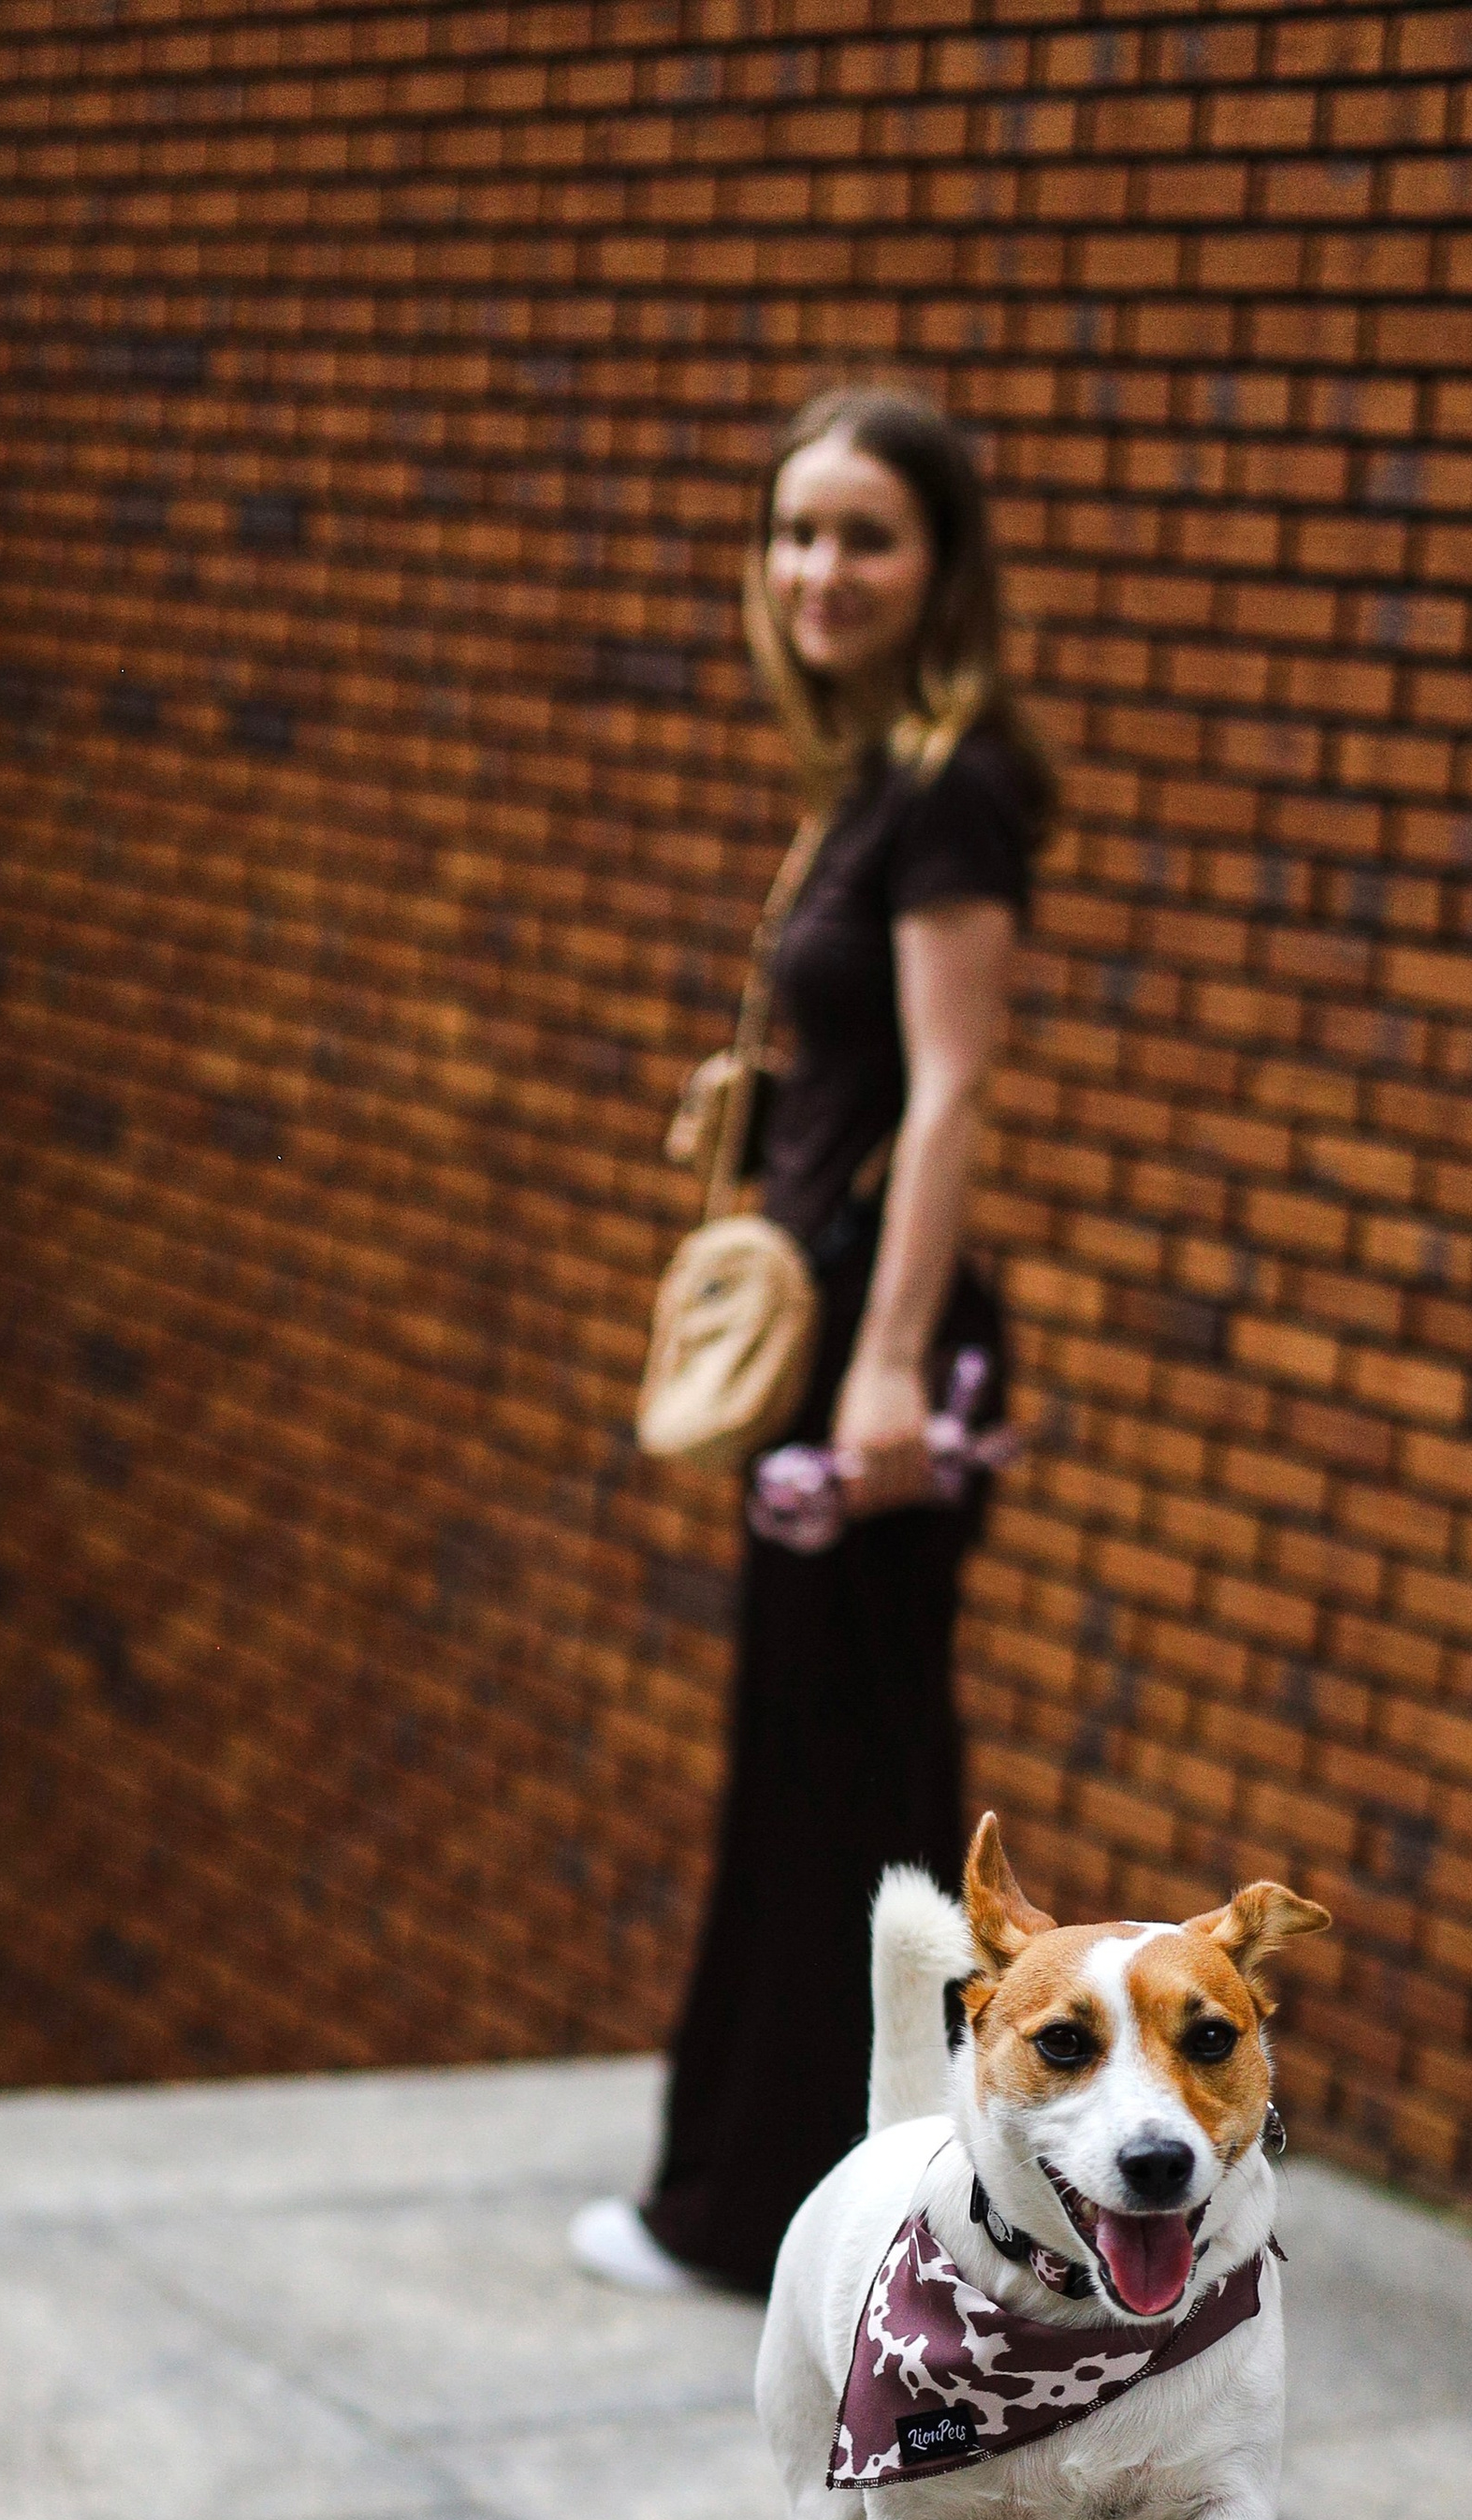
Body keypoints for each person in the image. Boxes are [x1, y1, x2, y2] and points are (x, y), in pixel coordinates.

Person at [572, 387, 1056, 2298]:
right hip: (845, 1316)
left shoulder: (952, 788)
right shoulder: (870, 786)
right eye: (791, 532)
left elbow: (948, 1094)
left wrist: (881, 1368)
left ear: (938, 564)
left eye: (862, 534)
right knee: (818, 1767)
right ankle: (827, 2205)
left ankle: (804, 2214)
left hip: (883, 1338)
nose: (816, 570)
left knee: (851, 1785)